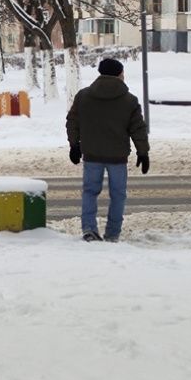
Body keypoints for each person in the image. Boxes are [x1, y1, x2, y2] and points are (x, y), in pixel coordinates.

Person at [65, 57, 150, 242]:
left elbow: (73, 121)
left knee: (89, 192)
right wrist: (142, 152)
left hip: (92, 155)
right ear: (119, 74)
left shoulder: (84, 96)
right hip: (117, 157)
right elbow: (138, 128)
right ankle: (112, 234)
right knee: (118, 195)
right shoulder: (129, 100)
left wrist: (74, 145)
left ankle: (89, 229)